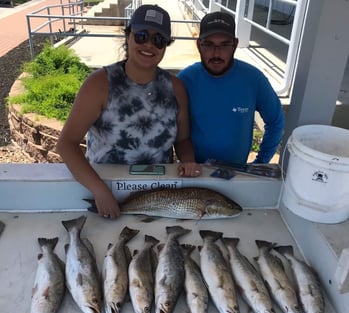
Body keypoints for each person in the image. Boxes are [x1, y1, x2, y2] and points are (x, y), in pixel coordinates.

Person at [57, 5, 201, 219]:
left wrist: (188, 159)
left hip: (158, 195)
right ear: (129, 35)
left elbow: (183, 139)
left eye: (158, 39)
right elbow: (66, 144)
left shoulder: (176, 88)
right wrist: (99, 190)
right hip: (105, 192)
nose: (149, 45)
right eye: (141, 36)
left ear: (166, 45)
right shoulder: (99, 84)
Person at [177, 11, 284, 165]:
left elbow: (276, 121)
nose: (216, 53)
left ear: (234, 44)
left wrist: (261, 162)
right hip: (194, 171)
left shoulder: (254, 79)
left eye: (224, 45)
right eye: (209, 44)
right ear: (199, 45)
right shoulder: (185, 80)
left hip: (236, 174)